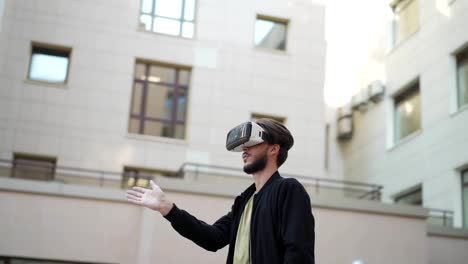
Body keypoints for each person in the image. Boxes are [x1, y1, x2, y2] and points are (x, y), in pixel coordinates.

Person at [126, 118, 315, 264]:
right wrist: (168, 209)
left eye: (252, 144)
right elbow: (212, 238)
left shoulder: (288, 190)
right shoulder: (244, 201)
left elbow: (298, 253)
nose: (244, 150)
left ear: (274, 149)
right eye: (243, 146)